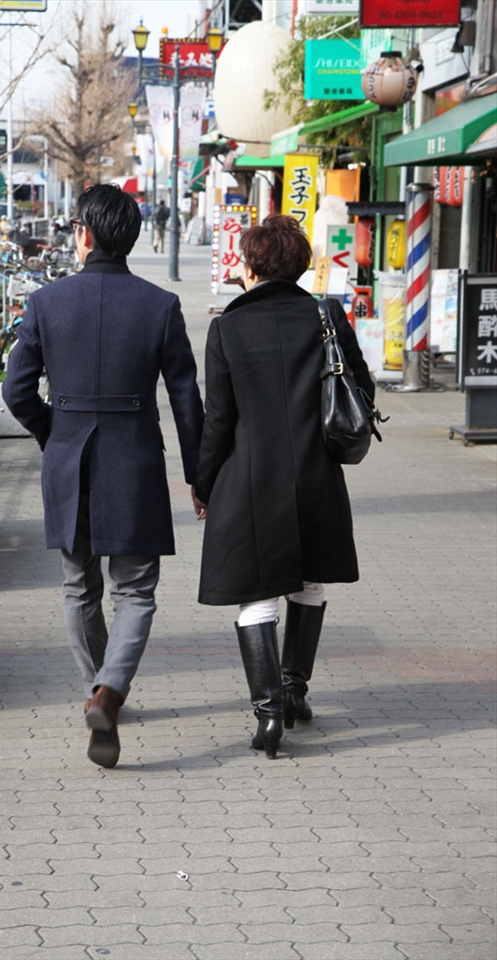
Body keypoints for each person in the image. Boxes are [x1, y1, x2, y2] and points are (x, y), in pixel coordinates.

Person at [3, 184, 204, 769]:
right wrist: (199, 475)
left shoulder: (46, 302)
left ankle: (98, 689)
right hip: (134, 460)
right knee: (136, 589)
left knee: (78, 585)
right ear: (132, 238)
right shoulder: (160, 304)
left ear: (84, 234)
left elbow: (17, 391)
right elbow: (187, 401)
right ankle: (110, 693)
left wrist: (54, 435)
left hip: (69, 459)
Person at [192, 215, 375, 760]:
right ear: (297, 266)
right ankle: (295, 693)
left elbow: (217, 421)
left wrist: (203, 484)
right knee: (311, 582)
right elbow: (360, 385)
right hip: (318, 473)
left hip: (252, 480)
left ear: (249, 266)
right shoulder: (326, 314)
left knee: (257, 592)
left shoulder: (226, 328)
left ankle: (268, 716)